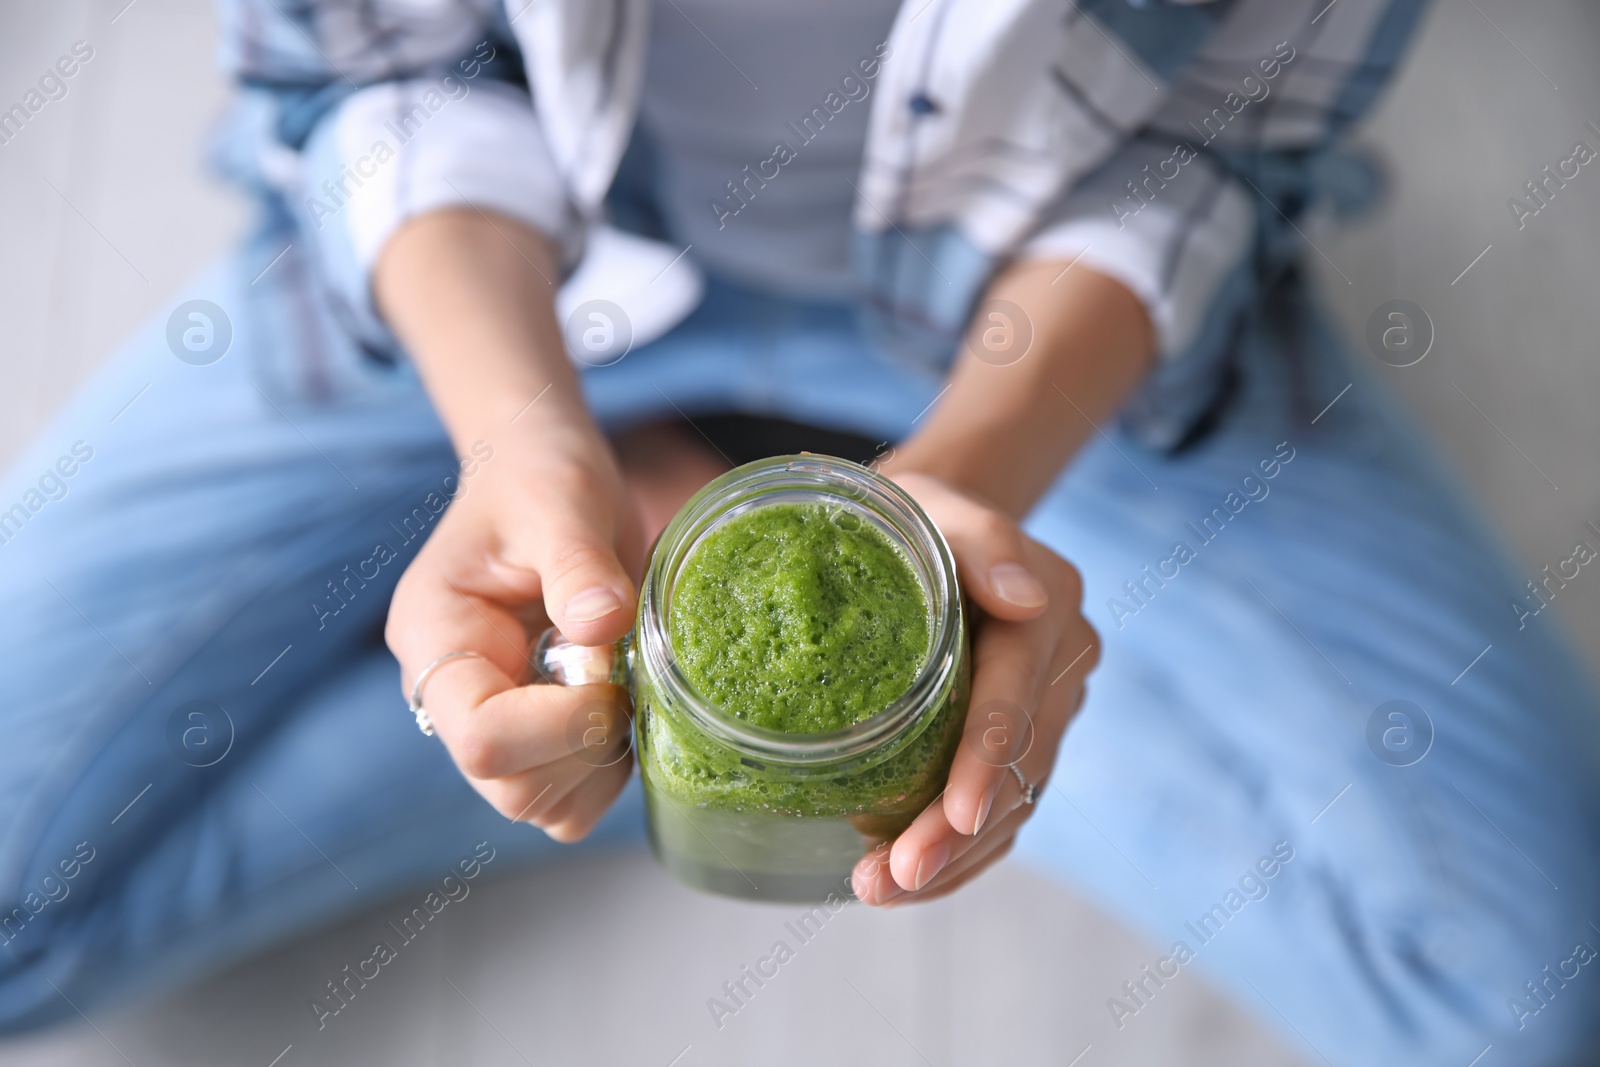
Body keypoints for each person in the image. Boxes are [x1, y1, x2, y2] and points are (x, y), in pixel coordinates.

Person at [1, 0, 1597, 1062]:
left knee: (1537, 1008)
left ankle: (810, 740)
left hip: (1029, 314)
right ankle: (670, 711)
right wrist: (522, 430)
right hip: (505, 266)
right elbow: (376, 71)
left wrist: (977, 479)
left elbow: (1214, 151)